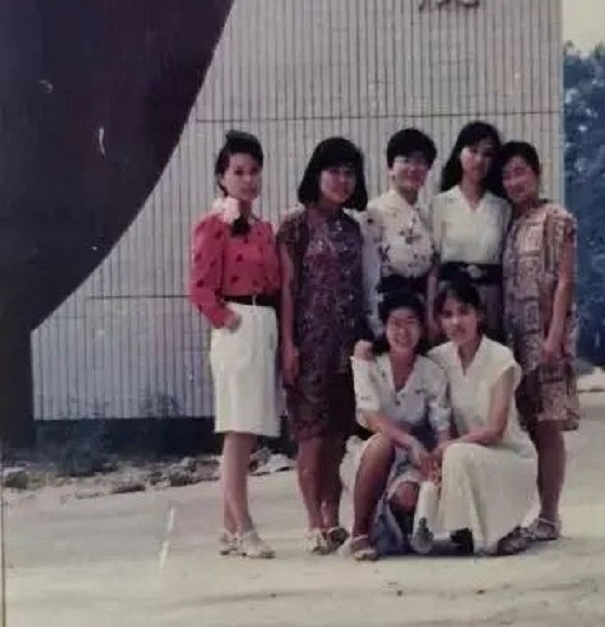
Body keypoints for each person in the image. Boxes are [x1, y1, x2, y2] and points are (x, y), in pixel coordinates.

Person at [277, 137, 376, 554]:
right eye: (334, 171)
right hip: (309, 345)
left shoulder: (353, 229)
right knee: (311, 436)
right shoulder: (295, 226)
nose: (342, 180)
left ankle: (333, 516)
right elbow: (286, 289)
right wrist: (288, 345)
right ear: (316, 175)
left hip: (346, 347)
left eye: (350, 173)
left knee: (337, 435)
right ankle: (313, 522)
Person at [188, 130, 281, 559]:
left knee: (250, 427)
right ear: (222, 177)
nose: (247, 179)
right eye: (238, 171)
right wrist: (228, 319)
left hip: (264, 322)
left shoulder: (263, 229)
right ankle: (245, 527)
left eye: (254, 171)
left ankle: (227, 528)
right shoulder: (213, 226)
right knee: (238, 429)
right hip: (237, 324)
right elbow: (199, 287)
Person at [500, 140, 579, 543]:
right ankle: (529, 512)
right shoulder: (510, 224)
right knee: (526, 424)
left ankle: (549, 515)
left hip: (545, 336)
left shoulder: (557, 218)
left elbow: (565, 281)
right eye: (507, 176)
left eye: (520, 172)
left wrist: (555, 336)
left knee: (548, 425)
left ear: (536, 173)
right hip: (514, 337)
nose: (514, 182)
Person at [426, 274, 537, 556]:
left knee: (456, 454)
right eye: (447, 315)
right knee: (453, 457)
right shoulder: (438, 359)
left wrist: (448, 446)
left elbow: (495, 430)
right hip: (466, 457)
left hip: (509, 457)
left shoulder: (500, 358)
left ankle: (501, 530)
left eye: (464, 312)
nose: (456, 322)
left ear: (480, 315)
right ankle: (467, 527)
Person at [342, 291, 451, 561]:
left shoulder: (431, 372)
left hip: (409, 460)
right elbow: (371, 416)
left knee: (408, 495)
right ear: (384, 327)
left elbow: (442, 429)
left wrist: (437, 461)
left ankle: (399, 531)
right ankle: (360, 534)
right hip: (369, 453)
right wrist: (409, 440)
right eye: (395, 324)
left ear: (422, 327)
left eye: (411, 323)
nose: (403, 332)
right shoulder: (369, 362)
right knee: (383, 443)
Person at [429, 121, 510, 341]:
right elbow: (434, 266)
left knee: (489, 357)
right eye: (473, 151)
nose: (479, 160)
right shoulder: (440, 203)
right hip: (450, 298)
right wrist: (430, 314)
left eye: (487, 154)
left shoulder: (502, 207)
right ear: (459, 153)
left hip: (490, 299)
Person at [359, 128, 438, 333]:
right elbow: (368, 278)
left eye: (420, 161)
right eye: (405, 160)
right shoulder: (374, 213)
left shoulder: (427, 216)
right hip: (388, 315)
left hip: (420, 315)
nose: (413, 168)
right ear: (390, 167)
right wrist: (376, 326)